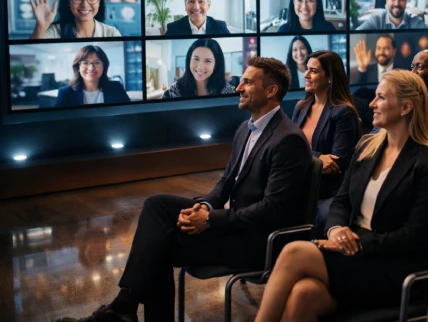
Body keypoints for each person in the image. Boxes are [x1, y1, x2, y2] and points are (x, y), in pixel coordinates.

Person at [56, 57, 312, 322]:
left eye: (247, 82)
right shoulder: (245, 129)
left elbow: (274, 210)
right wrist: (204, 206)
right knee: (157, 204)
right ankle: (125, 306)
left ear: (271, 91)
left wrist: (210, 220)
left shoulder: (288, 139)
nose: (238, 88)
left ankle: (124, 307)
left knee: (160, 244)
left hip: (259, 241)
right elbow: (226, 182)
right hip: (236, 225)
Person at [255, 70, 428, 321]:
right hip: (354, 253)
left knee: (294, 252)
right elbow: (341, 200)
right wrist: (335, 229)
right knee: (303, 294)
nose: (371, 104)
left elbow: (415, 236)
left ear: (406, 107)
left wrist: (350, 244)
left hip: (394, 267)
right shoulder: (367, 146)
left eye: (380, 97)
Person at [292, 50, 360, 199]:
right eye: (306, 69)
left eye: (313, 71)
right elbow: (287, 148)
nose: (306, 75)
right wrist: (316, 157)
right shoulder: (301, 107)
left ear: (330, 77)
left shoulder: (343, 112)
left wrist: (297, 158)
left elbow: (336, 164)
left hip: (322, 189)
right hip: (295, 180)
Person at [29, 0, 121, 39]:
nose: (85, 4)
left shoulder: (111, 33)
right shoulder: (54, 31)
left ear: (99, 1)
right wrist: (40, 26)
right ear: (68, 1)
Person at [55, 45, 131, 107]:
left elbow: (129, 114)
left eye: (97, 63)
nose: (91, 68)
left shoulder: (116, 87)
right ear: (78, 67)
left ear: (104, 67)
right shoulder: (65, 93)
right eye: (85, 63)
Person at [162, 39, 236, 98]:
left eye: (207, 61)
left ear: (216, 64)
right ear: (189, 60)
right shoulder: (172, 93)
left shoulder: (228, 92)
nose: (200, 67)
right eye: (196, 59)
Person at [165, 0, 230, 36]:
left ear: (208, 5)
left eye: (201, 1)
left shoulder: (220, 27)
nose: (196, 7)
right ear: (185, 5)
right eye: (191, 1)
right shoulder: (173, 29)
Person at [357, 0, 428, 30]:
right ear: (387, 1)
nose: (396, 3)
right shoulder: (375, 21)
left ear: (406, 1)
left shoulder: (414, 22)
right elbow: (355, 36)